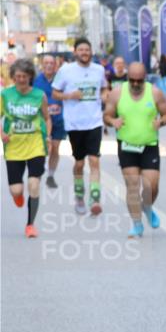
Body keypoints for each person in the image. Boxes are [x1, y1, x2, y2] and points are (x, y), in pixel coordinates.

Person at [104, 62, 166, 238]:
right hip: (127, 145)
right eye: (131, 80)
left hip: (149, 145)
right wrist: (113, 122)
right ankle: (136, 224)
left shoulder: (155, 93)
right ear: (128, 78)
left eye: (139, 81)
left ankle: (147, 206)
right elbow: (106, 115)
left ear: (145, 79)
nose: (135, 84)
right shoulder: (117, 92)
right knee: (132, 186)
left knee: (152, 186)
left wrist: (161, 122)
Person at [52, 38, 108, 216]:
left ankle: (95, 198)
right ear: (75, 52)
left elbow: (105, 88)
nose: (84, 53)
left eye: (87, 50)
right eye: (81, 50)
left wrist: (105, 96)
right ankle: (79, 195)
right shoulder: (66, 70)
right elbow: (55, 92)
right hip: (75, 123)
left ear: (91, 52)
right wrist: (69, 95)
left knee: (94, 160)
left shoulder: (99, 69)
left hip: (94, 121)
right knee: (79, 163)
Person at [2, 58, 51, 238]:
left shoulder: (39, 95)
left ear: (30, 77)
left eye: (24, 76)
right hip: (13, 147)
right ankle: (18, 196)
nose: (21, 80)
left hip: (35, 144)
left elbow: (46, 118)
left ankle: (30, 224)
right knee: (16, 189)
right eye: (18, 76)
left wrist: (47, 136)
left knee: (34, 184)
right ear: (13, 77)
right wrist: (2, 134)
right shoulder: (6, 95)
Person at [34, 54, 66, 189]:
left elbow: (67, 95)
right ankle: (38, 171)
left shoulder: (62, 79)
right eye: (46, 63)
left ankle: (51, 176)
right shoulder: (36, 80)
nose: (48, 65)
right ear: (42, 64)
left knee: (55, 147)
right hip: (42, 119)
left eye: (51, 63)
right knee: (45, 147)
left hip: (58, 119)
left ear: (56, 65)